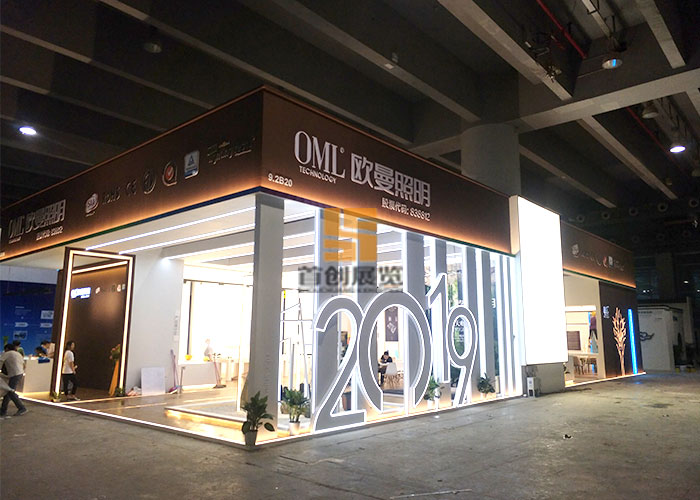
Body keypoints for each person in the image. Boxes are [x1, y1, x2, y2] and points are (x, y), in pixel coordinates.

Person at [0, 343, 28, 417]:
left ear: (7, 349)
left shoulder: (7, 353)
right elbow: (24, 365)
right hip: (19, 373)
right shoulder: (18, 354)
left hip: (14, 374)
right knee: (8, 391)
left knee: (10, 392)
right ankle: (3, 410)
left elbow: (0, 361)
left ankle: (22, 408)